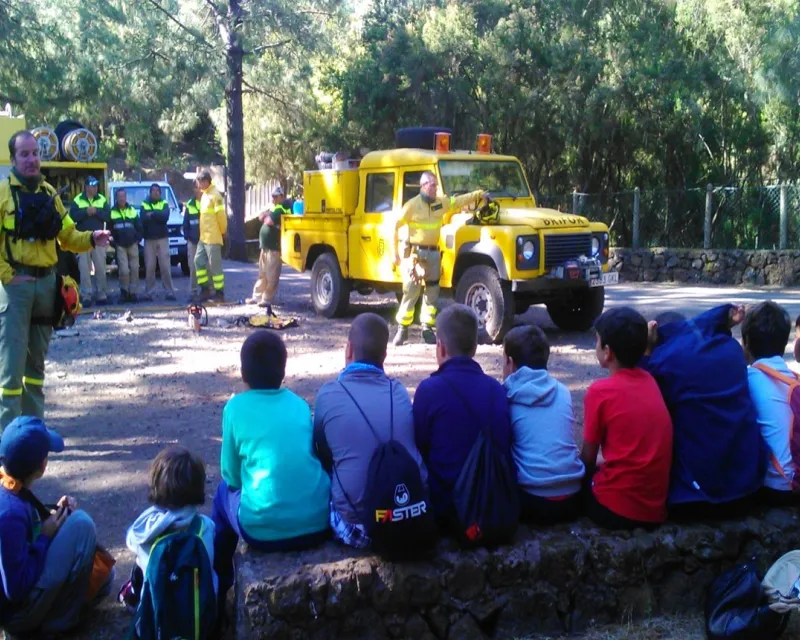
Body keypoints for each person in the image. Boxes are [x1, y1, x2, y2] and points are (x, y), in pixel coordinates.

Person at [0, 131, 112, 429]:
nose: (32, 159)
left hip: (47, 287)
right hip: (15, 290)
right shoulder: (2, 195)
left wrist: (92, 238)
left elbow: (67, 236)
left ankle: (34, 432)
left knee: (35, 367)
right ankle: (8, 440)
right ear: (13, 159)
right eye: (24, 154)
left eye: (35, 153)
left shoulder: (50, 193)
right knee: (10, 370)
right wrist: (10, 277)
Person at [213, 331, 330, 608]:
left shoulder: (234, 408)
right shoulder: (300, 405)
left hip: (262, 531)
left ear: (243, 373)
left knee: (220, 496)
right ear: (283, 371)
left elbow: (229, 475)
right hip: (318, 520)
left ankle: (220, 583)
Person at [640, 305, 766, 521]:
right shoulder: (731, 349)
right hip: (748, 489)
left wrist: (646, 353)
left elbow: (642, 400)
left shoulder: (662, 363)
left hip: (694, 499)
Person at [314, 313, 428, 549]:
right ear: (384, 356)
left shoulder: (329, 394)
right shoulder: (397, 390)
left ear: (348, 350)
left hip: (359, 527)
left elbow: (322, 453)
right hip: (409, 514)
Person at [0, 416, 112, 636]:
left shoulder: (8, 485)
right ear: (42, 465)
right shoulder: (9, 513)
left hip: (16, 603)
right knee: (82, 525)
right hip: (17, 614)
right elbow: (15, 588)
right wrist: (45, 536)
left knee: (104, 580)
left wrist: (49, 517)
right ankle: (56, 627)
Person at [413, 304, 512, 530]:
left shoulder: (429, 390)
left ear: (440, 347)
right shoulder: (496, 389)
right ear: (475, 347)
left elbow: (419, 447)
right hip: (492, 506)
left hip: (449, 510)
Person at [581, 307, 673, 530]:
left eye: (597, 341)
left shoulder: (600, 392)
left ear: (608, 352)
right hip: (655, 509)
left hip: (616, 508)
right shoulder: (650, 381)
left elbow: (588, 458)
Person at [392, 173, 489, 346]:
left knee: (432, 292)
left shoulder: (440, 202)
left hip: (434, 254)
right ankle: (402, 330)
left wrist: (478, 194)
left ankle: (427, 329)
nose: (435, 188)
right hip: (416, 255)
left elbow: (458, 201)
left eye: (436, 185)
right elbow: (395, 226)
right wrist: (396, 254)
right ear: (423, 186)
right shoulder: (412, 205)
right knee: (411, 291)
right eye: (432, 185)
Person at [502, 325, 584, 525]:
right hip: (573, 496)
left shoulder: (506, 396)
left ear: (510, 363)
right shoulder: (563, 391)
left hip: (532, 500)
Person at [118, 446, 216, 613]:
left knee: (139, 564)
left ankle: (132, 595)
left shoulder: (145, 532)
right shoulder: (206, 526)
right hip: (199, 620)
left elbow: (130, 540)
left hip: (155, 622)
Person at [741, 301, 798, 506]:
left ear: (745, 341)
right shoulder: (794, 379)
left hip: (776, 487)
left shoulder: (747, 378)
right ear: (783, 345)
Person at [69, 176, 110, 307]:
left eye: (96, 185)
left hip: (98, 238)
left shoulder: (102, 199)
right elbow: (72, 217)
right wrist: (86, 212)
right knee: (84, 268)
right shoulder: (77, 200)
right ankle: (86, 296)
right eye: (92, 185)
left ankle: (101, 294)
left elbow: (108, 216)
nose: (95, 188)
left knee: (101, 267)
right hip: (83, 239)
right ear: (86, 187)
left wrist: (96, 211)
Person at [246, 185, 288, 307]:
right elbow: (261, 217)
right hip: (265, 247)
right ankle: (257, 297)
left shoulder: (282, 209)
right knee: (262, 274)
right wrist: (266, 215)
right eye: (272, 196)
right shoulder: (274, 209)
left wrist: (266, 216)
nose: (273, 199)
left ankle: (267, 299)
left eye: (276, 196)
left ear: (281, 196)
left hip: (274, 248)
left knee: (272, 275)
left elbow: (268, 221)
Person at [194, 170, 227, 303]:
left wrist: (223, 232)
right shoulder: (204, 196)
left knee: (215, 267)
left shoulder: (215, 196)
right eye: (199, 182)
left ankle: (220, 293)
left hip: (213, 237)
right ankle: (205, 289)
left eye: (202, 182)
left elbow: (221, 216)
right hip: (204, 237)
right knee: (198, 261)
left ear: (208, 181)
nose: (200, 184)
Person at [139, 183, 175, 302]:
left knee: (165, 266)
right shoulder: (144, 203)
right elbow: (143, 218)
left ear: (160, 193)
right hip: (149, 239)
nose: (156, 193)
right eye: (153, 191)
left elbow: (165, 217)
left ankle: (169, 291)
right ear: (150, 193)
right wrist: (155, 216)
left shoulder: (164, 203)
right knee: (150, 267)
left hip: (162, 238)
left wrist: (152, 214)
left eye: (158, 191)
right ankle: (149, 292)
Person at [109, 188, 143, 303]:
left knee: (135, 269)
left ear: (126, 197)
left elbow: (139, 227)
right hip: (120, 245)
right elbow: (109, 229)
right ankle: (124, 292)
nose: (122, 198)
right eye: (119, 196)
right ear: (116, 198)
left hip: (133, 244)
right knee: (123, 271)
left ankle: (133, 293)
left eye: (123, 196)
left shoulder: (132, 210)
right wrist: (113, 242)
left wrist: (138, 239)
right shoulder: (112, 212)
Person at [181, 183, 201, 301]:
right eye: (196, 187)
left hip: (205, 241)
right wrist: (188, 236)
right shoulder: (190, 204)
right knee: (192, 266)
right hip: (192, 241)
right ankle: (193, 292)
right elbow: (185, 223)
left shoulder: (208, 201)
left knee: (206, 267)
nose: (198, 189)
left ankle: (207, 291)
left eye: (199, 187)